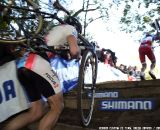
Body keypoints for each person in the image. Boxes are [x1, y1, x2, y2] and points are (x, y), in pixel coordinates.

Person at [2, 17, 81, 130]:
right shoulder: (70, 29)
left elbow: (52, 48)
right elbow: (74, 50)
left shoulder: (54, 30)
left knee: (36, 112)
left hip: (22, 65)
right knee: (57, 106)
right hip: (36, 63)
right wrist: (77, 55)